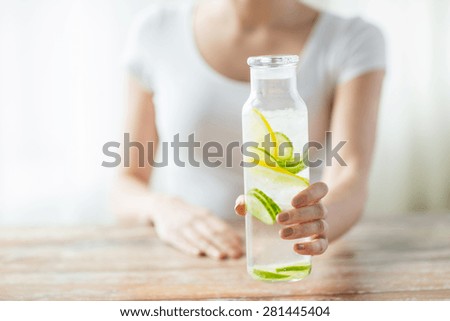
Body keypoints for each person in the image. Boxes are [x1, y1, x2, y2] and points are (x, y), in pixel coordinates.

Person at [112, 0, 386, 260]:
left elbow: (350, 176)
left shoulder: (352, 38)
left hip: (292, 253)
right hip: (188, 256)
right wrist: (163, 209)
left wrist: (318, 219)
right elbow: (126, 182)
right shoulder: (155, 31)